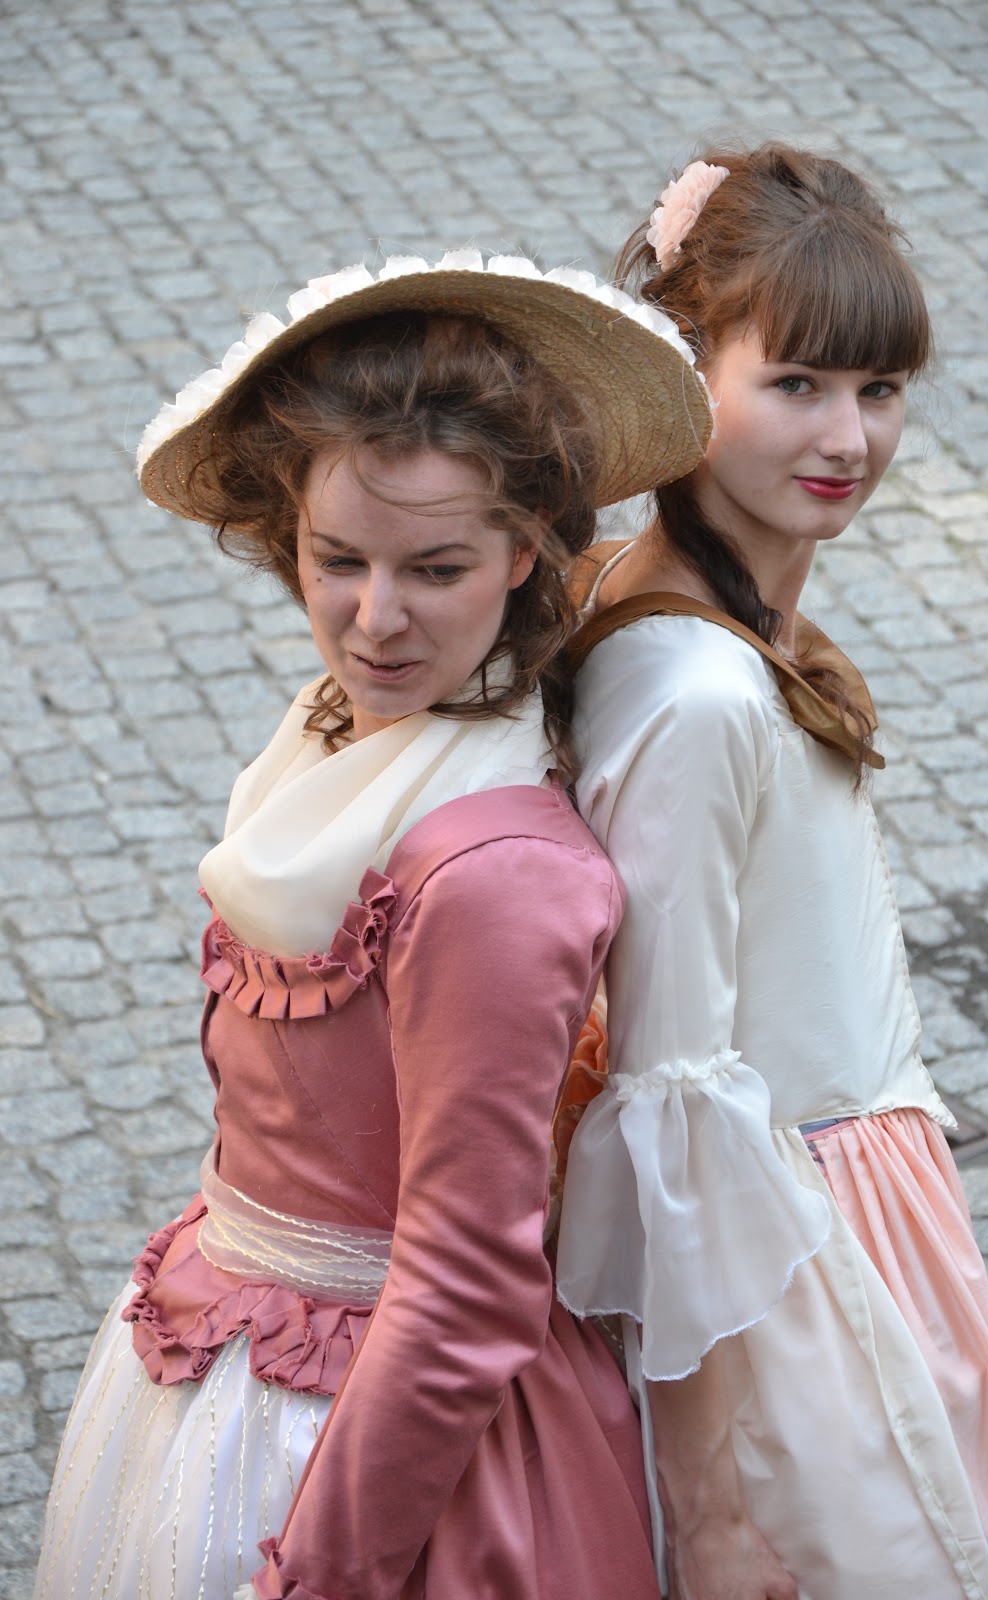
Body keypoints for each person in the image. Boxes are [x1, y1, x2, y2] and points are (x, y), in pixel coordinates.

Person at [32, 249, 712, 1600]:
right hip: (234, 1342)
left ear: (527, 550)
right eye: (335, 558)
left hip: (366, 1450)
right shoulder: (336, 739)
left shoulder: (493, 871)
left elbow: (463, 1287)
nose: (374, 619)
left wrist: (323, 1573)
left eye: (436, 567)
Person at [556, 145, 988, 1600]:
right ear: (684, 374)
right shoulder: (696, 694)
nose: (850, 436)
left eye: (880, 388)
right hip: (784, 1282)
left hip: (850, 1212)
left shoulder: (714, 618)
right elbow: (668, 1097)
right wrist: (713, 1508)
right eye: (795, 385)